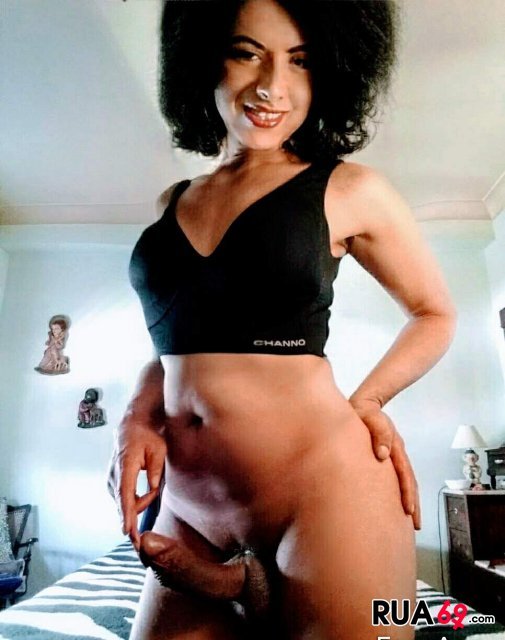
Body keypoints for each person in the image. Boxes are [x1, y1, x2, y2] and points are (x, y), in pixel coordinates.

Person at [108, 1, 457, 638]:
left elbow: (433, 313)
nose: (272, 86)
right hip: (188, 510)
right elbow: (173, 346)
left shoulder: (350, 188)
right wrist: (136, 414)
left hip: (325, 492)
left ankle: (258, 585)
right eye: (247, 53)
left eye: (301, 61)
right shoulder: (172, 201)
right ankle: (249, 583)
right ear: (204, 60)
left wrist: (369, 400)